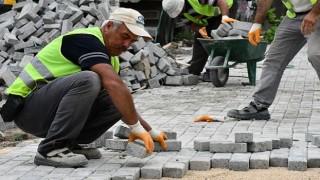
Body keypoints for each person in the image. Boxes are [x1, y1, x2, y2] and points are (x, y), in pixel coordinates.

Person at [0, 8, 167, 168]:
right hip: (28, 110)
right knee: (90, 80)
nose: (127, 44)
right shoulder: (85, 40)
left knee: (117, 98)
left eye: (132, 41)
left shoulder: (110, 58)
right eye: (125, 36)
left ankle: (67, 144)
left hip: (48, 111)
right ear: (108, 26)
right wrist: (135, 127)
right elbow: (113, 84)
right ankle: (51, 149)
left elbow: (117, 93)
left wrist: (149, 131)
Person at [227, 0, 320, 120]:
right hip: (294, 17)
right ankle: (259, 106)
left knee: (316, 54)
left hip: (317, 13)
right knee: (274, 58)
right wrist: (257, 24)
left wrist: (314, 13)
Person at [162, 0, 236, 81]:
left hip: (225, 7)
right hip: (209, 17)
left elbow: (221, 2)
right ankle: (194, 70)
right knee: (199, 39)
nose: (180, 13)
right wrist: (200, 30)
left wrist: (225, 17)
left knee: (217, 38)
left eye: (179, 10)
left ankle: (213, 71)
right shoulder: (181, 14)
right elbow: (193, 24)